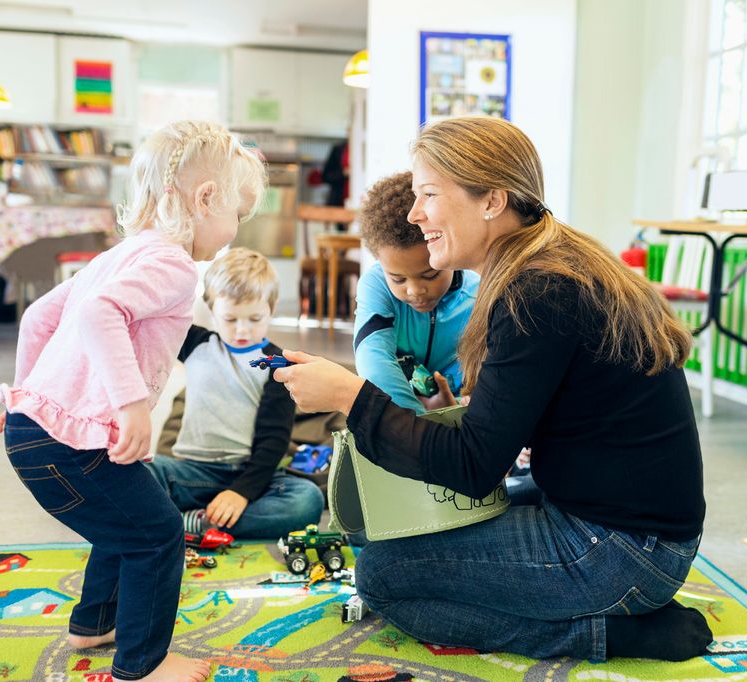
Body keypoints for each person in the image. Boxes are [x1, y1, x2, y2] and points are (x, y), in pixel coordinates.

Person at [272, 116, 712, 663]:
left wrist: (348, 397)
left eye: (428, 195)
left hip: (624, 551)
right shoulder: (547, 264)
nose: (415, 215)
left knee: (383, 575)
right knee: (396, 531)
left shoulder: (537, 290)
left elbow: (474, 466)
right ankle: (609, 609)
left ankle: (607, 633)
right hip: (623, 528)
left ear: (492, 201)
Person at [0, 121, 266, 682]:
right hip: (74, 440)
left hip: (36, 430)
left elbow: (37, 318)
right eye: (237, 216)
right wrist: (131, 406)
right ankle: (143, 664)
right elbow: (100, 316)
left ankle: (94, 623)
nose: (236, 230)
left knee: (125, 521)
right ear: (205, 199)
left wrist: (27, 396)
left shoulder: (114, 257)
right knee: (158, 533)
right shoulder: (172, 264)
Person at [147, 247, 324, 540]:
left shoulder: (278, 365)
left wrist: (241, 492)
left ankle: (192, 525)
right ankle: (197, 520)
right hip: (190, 473)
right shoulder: (195, 344)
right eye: (230, 319)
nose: (242, 330)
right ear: (210, 307)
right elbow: (157, 319)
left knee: (307, 500)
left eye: (255, 319)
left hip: (250, 476)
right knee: (138, 472)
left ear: (272, 306)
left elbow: (274, 440)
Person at [354, 170, 478, 413]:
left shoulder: (477, 294)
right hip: (401, 417)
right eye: (398, 279)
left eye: (430, 275)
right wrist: (418, 424)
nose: (414, 290)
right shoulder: (375, 284)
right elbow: (374, 363)